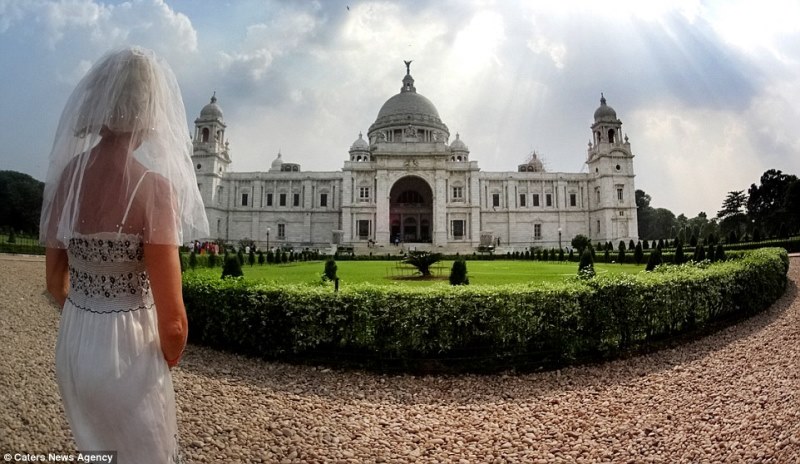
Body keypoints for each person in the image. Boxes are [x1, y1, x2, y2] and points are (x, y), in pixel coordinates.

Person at [40, 46, 208, 462]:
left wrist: (89, 314)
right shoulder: (152, 188)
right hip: (129, 348)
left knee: (95, 451)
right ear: (150, 109)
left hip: (76, 339)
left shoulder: (69, 179)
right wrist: (160, 360)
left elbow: (53, 283)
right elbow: (172, 323)